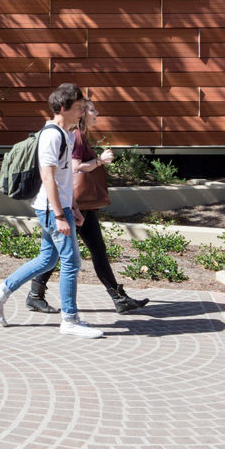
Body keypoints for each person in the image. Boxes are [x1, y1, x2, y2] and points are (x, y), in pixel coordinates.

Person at [0, 83, 108, 339]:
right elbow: (48, 178)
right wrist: (61, 215)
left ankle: (0, 292)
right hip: (52, 210)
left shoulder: (68, 133)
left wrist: (73, 206)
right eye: (78, 108)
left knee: (48, 259)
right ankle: (70, 320)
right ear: (63, 108)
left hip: (58, 207)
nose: (82, 113)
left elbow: (64, 178)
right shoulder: (51, 136)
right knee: (71, 262)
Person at [26, 96, 149, 314]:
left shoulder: (77, 135)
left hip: (79, 204)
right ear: (81, 113)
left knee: (90, 251)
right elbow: (75, 168)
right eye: (92, 110)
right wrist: (100, 161)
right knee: (62, 254)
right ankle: (35, 295)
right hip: (76, 204)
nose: (96, 113)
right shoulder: (76, 136)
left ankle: (117, 297)